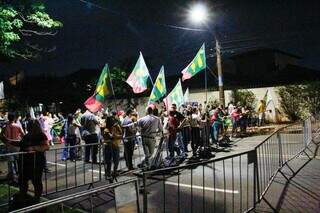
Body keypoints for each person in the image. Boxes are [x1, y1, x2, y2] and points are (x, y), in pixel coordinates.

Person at [18, 119, 49, 201]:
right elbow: (20, 143)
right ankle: (23, 196)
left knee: (36, 181)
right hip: (25, 162)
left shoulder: (41, 135)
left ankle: (37, 198)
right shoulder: (27, 135)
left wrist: (33, 148)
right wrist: (9, 141)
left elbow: (46, 146)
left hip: (36, 163)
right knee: (22, 180)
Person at [2, 113, 25, 184]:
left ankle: (14, 178)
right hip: (17, 145)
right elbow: (23, 135)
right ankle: (20, 177)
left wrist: (6, 140)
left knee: (11, 163)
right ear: (14, 118)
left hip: (9, 145)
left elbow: (1, 135)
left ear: (8, 118)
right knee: (19, 162)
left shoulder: (5, 126)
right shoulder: (17, 126)